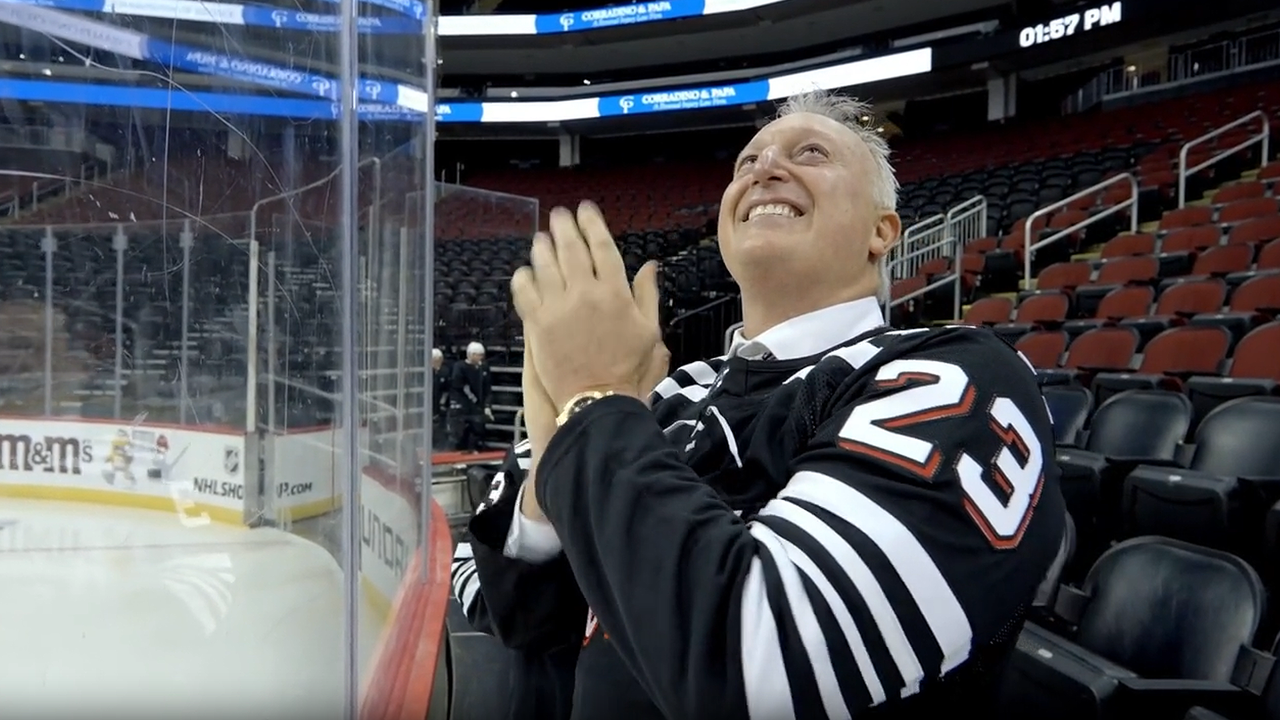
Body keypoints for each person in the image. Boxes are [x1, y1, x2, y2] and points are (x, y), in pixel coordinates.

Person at [455, 90, 1067, 719]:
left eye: (810, 153)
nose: (764, 169)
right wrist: (553, 476)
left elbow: (765, 668)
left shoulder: (959, 372)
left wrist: (597, 408)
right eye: (746, 162)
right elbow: (508, 612)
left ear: (881, 232)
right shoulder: (669, 388)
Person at [448, 341, 493, 452]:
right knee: (460, 434)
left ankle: (474, 449)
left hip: (478, 407)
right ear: (471, 355)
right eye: (479, 355)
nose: (481, 358)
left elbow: (488, 388)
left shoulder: (484, 368)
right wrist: (474, 400)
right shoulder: (459, 367)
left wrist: (487, 405)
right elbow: (460, 385)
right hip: (463, 407)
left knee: (477, 431)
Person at [432, 348, 449, 450]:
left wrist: (443, 402)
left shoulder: (445, 371)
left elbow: (447, 389)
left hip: (441, 404)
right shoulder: (426, 372)